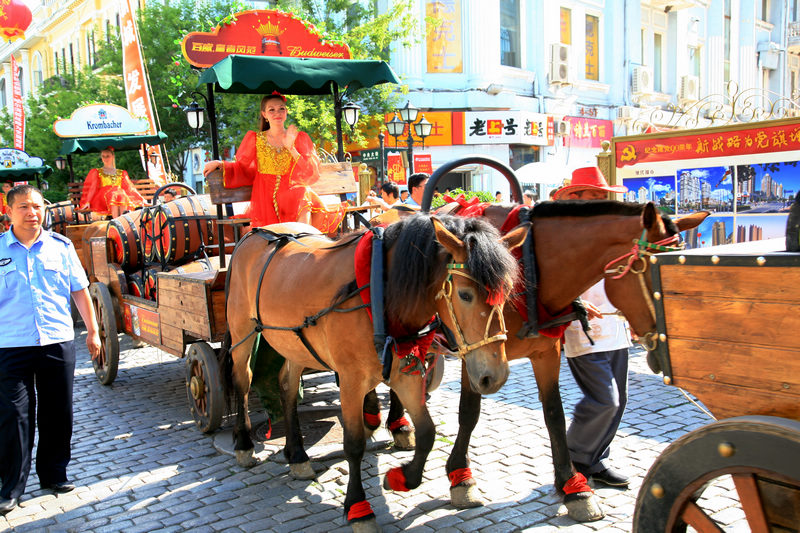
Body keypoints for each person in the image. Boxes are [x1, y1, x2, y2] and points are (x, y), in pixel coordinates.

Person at [0, 184, 101, 515]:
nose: (32, 213)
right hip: (10, 344)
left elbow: (80, 291)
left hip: (57, 340)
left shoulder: (61, 246)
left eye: (37, 206)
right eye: (24, 207)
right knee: (14, 415)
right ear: (9, 211)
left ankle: (54, 474)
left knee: (58, 412)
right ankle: (11, 487)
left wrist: (93, 332)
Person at [553, 166, 631, 489]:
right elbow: (550, 282)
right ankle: (570, 462)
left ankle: (595, 460)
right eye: (593, 195)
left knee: (620, 402)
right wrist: (576, 304)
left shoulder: (612, 230)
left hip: (616, 327)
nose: (600, 200)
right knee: (604, 400)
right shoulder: (560, 235)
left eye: (603, 195)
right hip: (582, 330)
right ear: (574, 197)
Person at [203, 91, 344, 233]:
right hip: (265, 196)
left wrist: (292, 149)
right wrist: (221, 164)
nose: (277, 113)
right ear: (264, 114)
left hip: (290, 192)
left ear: (286, 111)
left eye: (281, 108)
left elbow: (310, 172)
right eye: (272, 110)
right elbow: (243, 167)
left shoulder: (298, 138)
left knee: (303, 191)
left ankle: (305, 239)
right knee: (302, 193)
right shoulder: (255, 139)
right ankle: (304, 240)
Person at [78, 147, 145, 219]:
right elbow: (93, 187)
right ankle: (117, 220)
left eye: (108, 156)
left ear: (113, 156)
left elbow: (129, 187)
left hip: (119, 195)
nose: (105, 158)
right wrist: (88, 201)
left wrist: (141, 199)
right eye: (103, 156)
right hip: (103, 197)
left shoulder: (121, 172)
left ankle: (122, 221)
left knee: (120, 194)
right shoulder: (98, 172)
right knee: (114, 194)